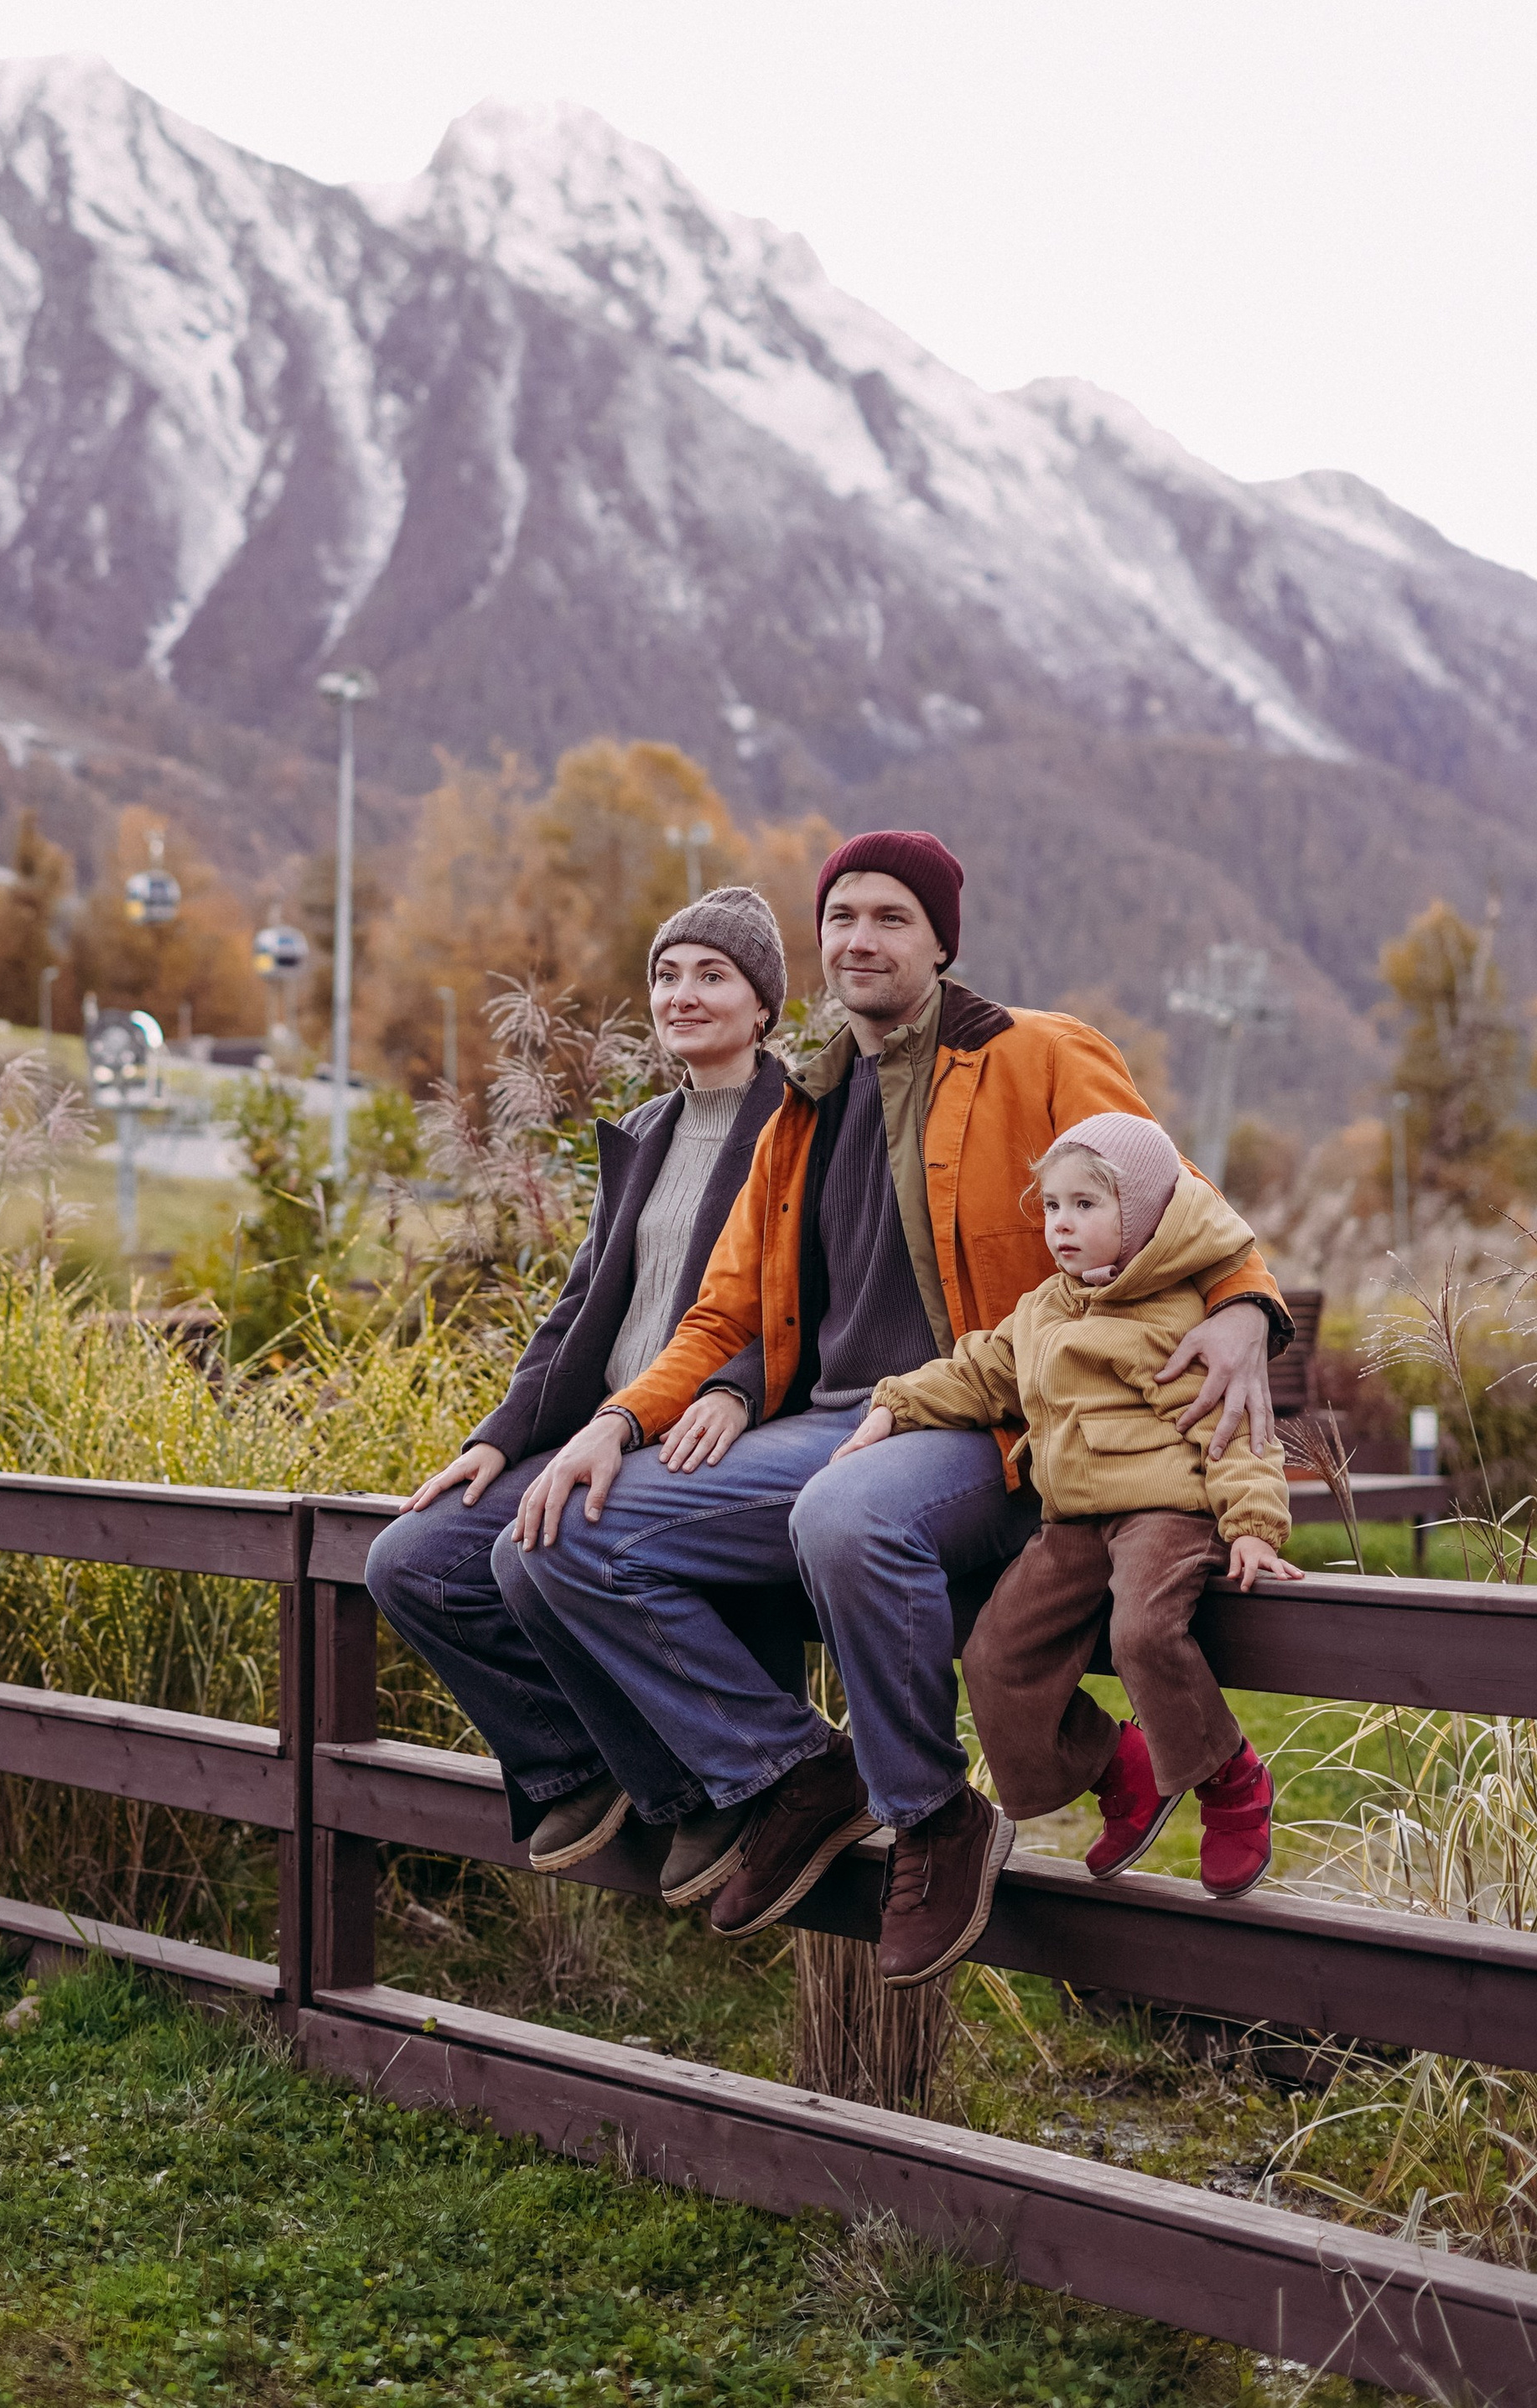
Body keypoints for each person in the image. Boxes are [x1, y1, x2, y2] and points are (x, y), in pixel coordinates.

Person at [503, 829, 1293, 1983]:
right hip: (838, 1422)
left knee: (846, 1517)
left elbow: (1170, 1193)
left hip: (994, 1426)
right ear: (816, 945)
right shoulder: (804, 1109)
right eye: (841, 919)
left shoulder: (1037, 1056)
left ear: (939, 943)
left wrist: (1242, 1306)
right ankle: (790, 1775)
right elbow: (721, 1318)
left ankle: (933, 1815)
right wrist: (615, 1426)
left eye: (890, 918)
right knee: (555, 1542)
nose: (859, 938)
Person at [364, 886, 792, 1876]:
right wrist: (498, 1437)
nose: (682, 995)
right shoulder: (643, 1127)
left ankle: (702, 1793)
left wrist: (736, 1387)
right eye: (666, 975)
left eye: (712, 976)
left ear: (762, 1002)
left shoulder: (801, 1124)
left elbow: (813, 1299)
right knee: (409, 1562)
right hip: (595, 1422)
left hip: (705, 1434)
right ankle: (579, 1768)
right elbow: (577, 1311)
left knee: (552, 1542)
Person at [837, 1110, 1301, 1971]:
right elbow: (981, 1371)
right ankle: (1117, 1766)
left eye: (1084, 1205)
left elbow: (1239, 1432)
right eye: (1050, 1206)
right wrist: (894, 1403)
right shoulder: (1046, 1308)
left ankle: (1231, 1781)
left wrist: (1250, 1526)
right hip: (1073, 1519)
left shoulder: (1182, 1311)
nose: (1059, 1225)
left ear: (1148, 1211)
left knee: (1140, 1632)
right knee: (994, 1654)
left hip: (1165, 1512)